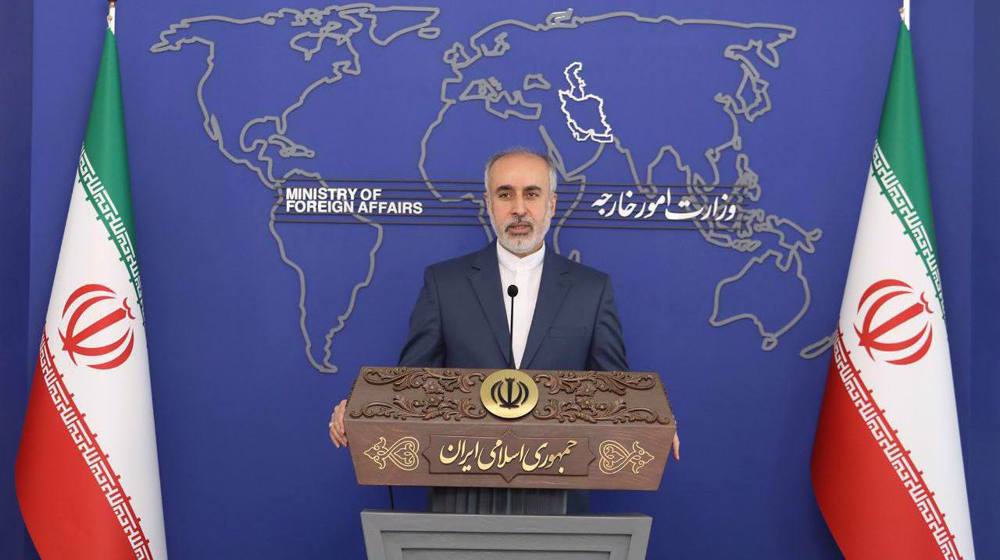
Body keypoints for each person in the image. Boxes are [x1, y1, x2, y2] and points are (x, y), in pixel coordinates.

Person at [329, 147, 679, 460]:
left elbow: (616, 391)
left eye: (532, 194)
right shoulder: (444, 284)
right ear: (488, 203)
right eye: (505, 194)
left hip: (559, 495)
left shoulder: (592, 290)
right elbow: (411, 384)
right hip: (460, 490)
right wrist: (360, 409)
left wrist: (653, 424)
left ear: (551, 204)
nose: (519, 209)